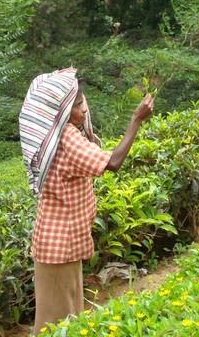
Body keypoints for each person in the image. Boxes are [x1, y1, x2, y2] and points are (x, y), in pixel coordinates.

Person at [18, 68, 154, 335]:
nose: (85, 110)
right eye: (78, 105)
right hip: (57, 249)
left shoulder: (58, 135)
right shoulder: (66, 138)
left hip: (62, 247)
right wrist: (136, 120)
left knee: (69, 319)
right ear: (62, 110)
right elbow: (113, 162)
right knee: (54, 326)